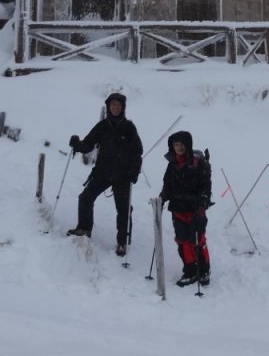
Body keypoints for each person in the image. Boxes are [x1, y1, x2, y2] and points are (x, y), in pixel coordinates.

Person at [66, 92, 143, 256]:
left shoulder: (129, 127)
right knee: (85, 197)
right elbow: (87, 144)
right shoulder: (102, 126)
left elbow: (138, 151)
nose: (115, 107)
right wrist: (77, 144)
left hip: (122, 175)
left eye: (118, 105)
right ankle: (84, 228)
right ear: (108, 107)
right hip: (102, 171)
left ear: (123, 107)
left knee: (123, 209)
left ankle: (122, 242)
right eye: (112, 104)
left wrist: (134, 171)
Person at [158, 130, 212, 287]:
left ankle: (204, 270)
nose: (179, 147)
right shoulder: (172, 164)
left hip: (195, 208)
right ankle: (190, 270)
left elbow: (205, 186)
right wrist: (162, 198)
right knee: (182, 240)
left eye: (182, 144)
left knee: (197, 240)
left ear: (188, 145)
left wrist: (203, 202)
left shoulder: (198, 163)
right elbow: (167, 185)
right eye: (176, 144)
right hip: (178, 208)